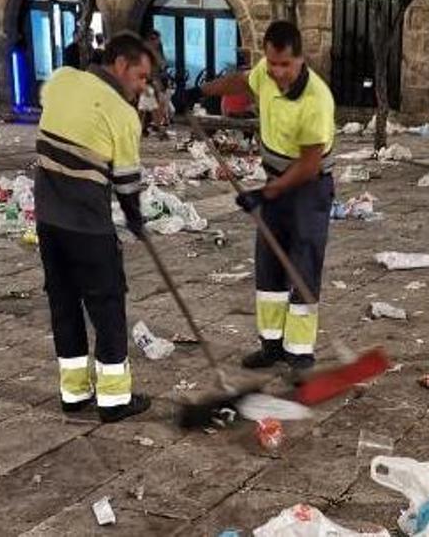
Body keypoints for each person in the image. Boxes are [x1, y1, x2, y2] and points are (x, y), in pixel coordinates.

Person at [184, 21, 336, 370]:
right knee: (269, 264)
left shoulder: (317, 100)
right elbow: (241, 81)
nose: (278, 73)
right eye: (272, 64)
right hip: (275, 182)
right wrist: (201, 91)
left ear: (300, 60)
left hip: (307, 189)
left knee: (303, 264)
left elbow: (310, 166)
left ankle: (299, 352)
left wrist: (267, 194)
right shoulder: (264, 74)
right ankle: (271, 345)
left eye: (285, 65)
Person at [34, 32, 153, 421]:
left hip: (49, 223)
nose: (141, 86)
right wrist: (137, 222)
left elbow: (53, 113)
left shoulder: (61, 81)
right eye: (140, 76)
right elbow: (127, 186)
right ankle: (114, 400)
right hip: (88, 226)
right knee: (107, 306)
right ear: (120, 65)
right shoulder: (123, 115)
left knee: (64, 303)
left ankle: (73, 392)